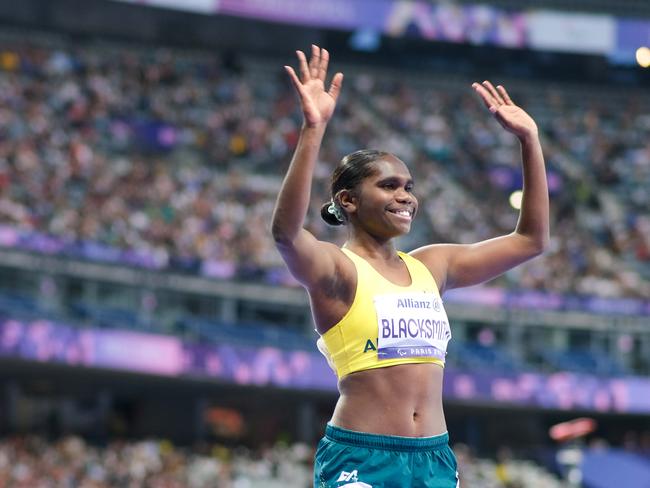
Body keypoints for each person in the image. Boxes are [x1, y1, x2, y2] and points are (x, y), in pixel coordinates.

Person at [271, 45, 549, 488]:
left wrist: (530, 141)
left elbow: (530, 240)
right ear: (348, 200)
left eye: (409, 187)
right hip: (362, 457)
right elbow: (287, 234)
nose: (406, 196)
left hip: (435, 458)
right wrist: (313, 128)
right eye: (389, 186)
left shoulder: (432, 265)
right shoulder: (337, 272)